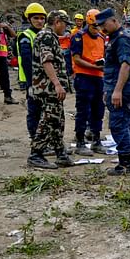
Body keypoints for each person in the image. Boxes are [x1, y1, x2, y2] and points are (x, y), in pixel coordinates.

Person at [96, 8, 130, 175]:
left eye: (104, 25)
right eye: (99, 26)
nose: (102, 29)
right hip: (122, 87)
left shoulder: (122, 39)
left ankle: (125, 164)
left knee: (117, 125)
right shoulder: (115, 38)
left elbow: (125, 65)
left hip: (123, 89)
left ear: (114, 20)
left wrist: (117, 91)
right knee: (125, 124)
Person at [27, 10, 73, 169]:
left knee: (57, 120)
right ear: (58, 22)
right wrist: (57, 84)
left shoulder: (48, 36)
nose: (66, 28)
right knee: (48, 120)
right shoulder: (46, 36)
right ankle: (36, 154)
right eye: (65, 24)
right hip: (48, 87)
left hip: (49, 87)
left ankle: (61, 153)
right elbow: (47, 61)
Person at [70, 9, 107, 156]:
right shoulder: (78, 37)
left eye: (98, 26)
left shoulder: (101, 38)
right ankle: (80, 141)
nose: (96, 29)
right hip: (84, 76)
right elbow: (76, 58)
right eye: (93, 26)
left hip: (98, 77)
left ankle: (96, 140)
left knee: (98, 109)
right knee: (83, 110)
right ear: (88, 23)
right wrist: (93, 66)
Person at [18, 2, 48, 137]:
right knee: (34, 111)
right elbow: (26, 61)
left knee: (45, 111)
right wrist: (31, 83)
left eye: (42, 18)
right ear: (29, 19)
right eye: (36, 18)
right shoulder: (26, 36)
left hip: (44, 79)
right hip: (33, 79)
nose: (39, 21)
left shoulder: (45, 34)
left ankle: (43, 138)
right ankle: (35, 139)